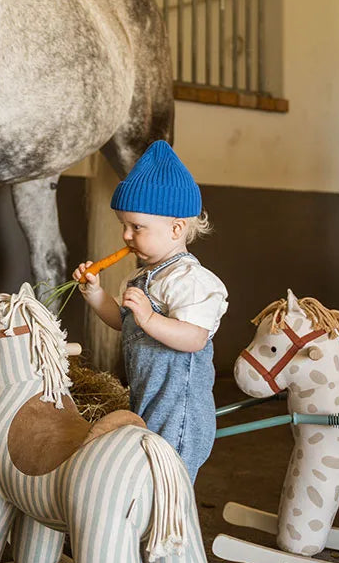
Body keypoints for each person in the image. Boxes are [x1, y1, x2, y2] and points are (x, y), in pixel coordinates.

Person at [74, 141, 228, 484]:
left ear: (176, 229)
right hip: (146, 399)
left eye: (137, 227)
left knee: (167, 481)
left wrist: (151, 318)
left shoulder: (191, 280)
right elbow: (122, 322)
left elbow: (194, 338)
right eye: (123, 225)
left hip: (180, 411)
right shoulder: (142, 276)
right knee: (144, 475)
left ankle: (171, 535)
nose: (126, 236)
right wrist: (96, 294)